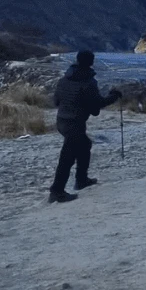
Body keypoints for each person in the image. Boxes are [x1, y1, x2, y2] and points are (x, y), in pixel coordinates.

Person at [49, 50, 121, 203]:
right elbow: (96, 107)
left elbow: (56, 101)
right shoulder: (88, 82)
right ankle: (57, 191)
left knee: (84, 145)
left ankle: (81, 180)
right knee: (67, 157)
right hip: (75, 123)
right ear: (91, 62)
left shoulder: (64, 79)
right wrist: (113, 96)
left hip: (61, 120)